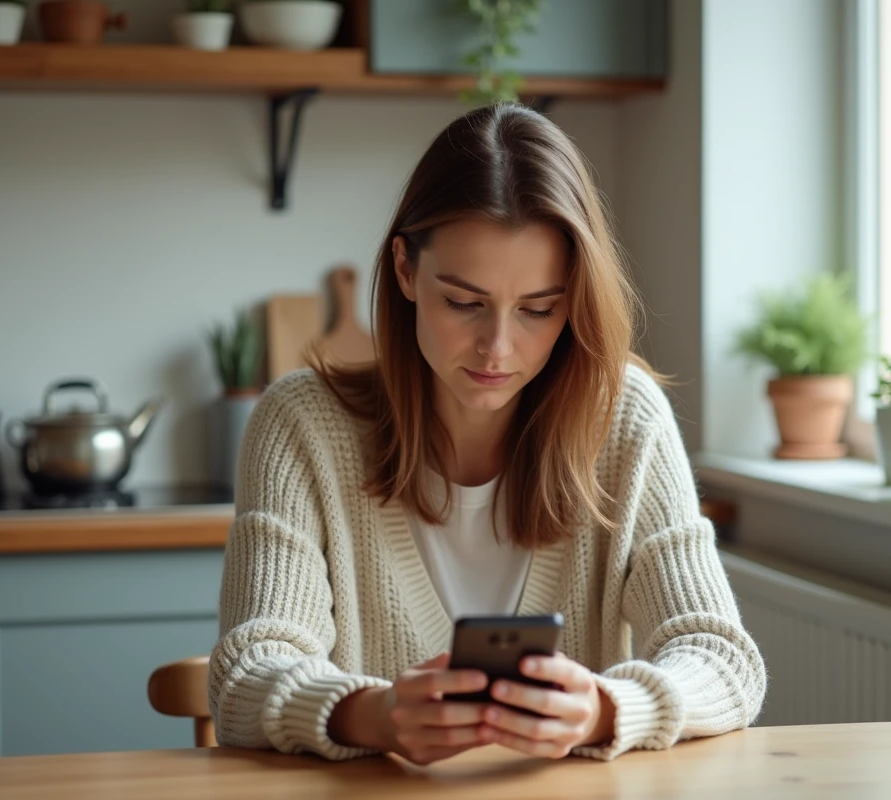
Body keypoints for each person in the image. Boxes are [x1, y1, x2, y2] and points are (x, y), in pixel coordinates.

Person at [208, 103, 766, 766]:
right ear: (406, 270)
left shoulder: (625, 419)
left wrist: (605, 711)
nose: (498, 347)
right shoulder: (300, 425)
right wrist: (374, 716)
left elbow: (721, 658)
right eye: (464, 302)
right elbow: (247, 674)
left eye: (539, 309)